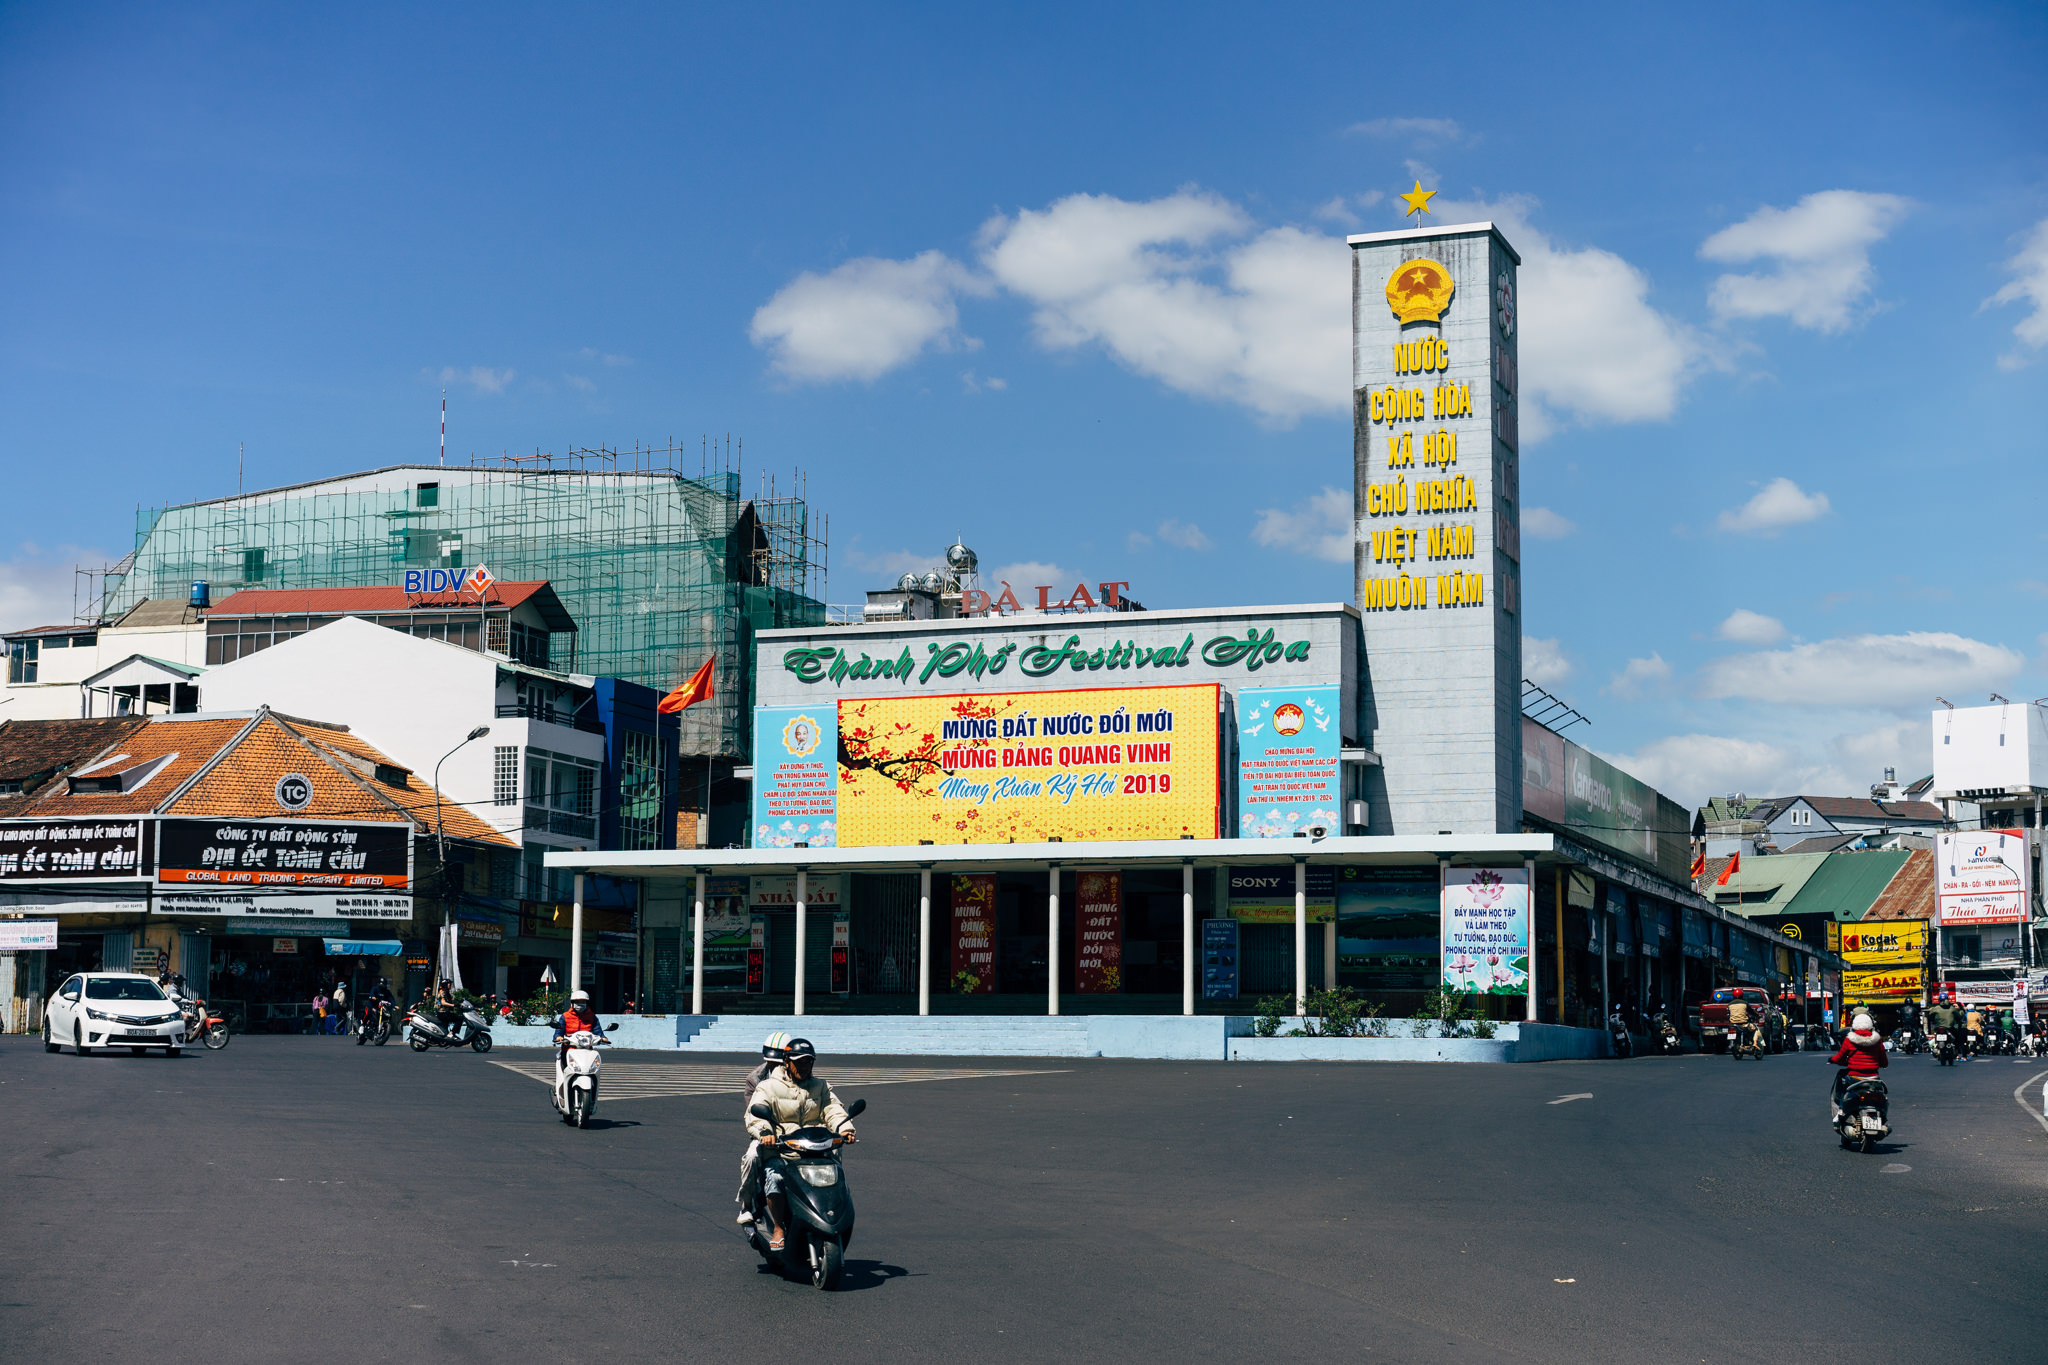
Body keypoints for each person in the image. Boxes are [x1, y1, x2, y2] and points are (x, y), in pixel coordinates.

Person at [742, 1036, 855, 1252]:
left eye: (808, 1062)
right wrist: (765, 1131)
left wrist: (845, 1129)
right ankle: (777, 1227)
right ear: (786, 1062)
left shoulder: (820, 1086)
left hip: (816, 1149)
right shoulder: (768, 1087)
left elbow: (833, 1109)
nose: (803, 1067)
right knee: (774, 1177)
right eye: (798, 1062)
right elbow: (756, 1112)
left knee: (835, 1174)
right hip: (782, 1150)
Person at [736, 1032, 795, 1228]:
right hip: (766, 1132)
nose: (775, 1067)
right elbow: (753, 1113)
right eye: (771, 1062)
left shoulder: (799, 1074)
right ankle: (746, 1204)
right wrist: (766, 1132)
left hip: (796, 1133)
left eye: (779, 1063)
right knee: (752, 1157)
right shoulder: (755, 1079)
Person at [1828, 1011, 1888, 1116]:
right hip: (1873, 1078)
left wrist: (1832, 1060)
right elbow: (1884, 1062)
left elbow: (1840, 1058)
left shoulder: (1849, 1040)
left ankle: (1841, 1111)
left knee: (1842, 1088)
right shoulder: (1877, 1040)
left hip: (1855, 1077)